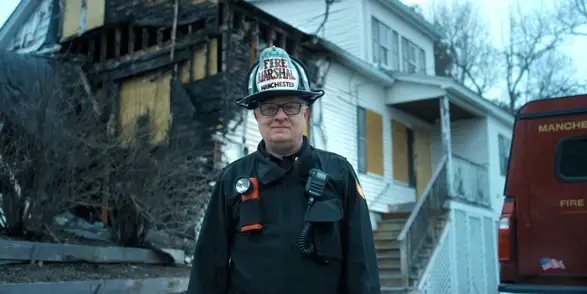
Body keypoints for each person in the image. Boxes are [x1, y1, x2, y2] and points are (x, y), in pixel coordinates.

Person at [186, 46, 381, 294]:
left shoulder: (339, 173)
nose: (280, 116)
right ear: (256, 115)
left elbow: (362, 265)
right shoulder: (232, 180)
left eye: (290, 106)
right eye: (269, 107)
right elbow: (207, 271)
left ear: (306, 113)